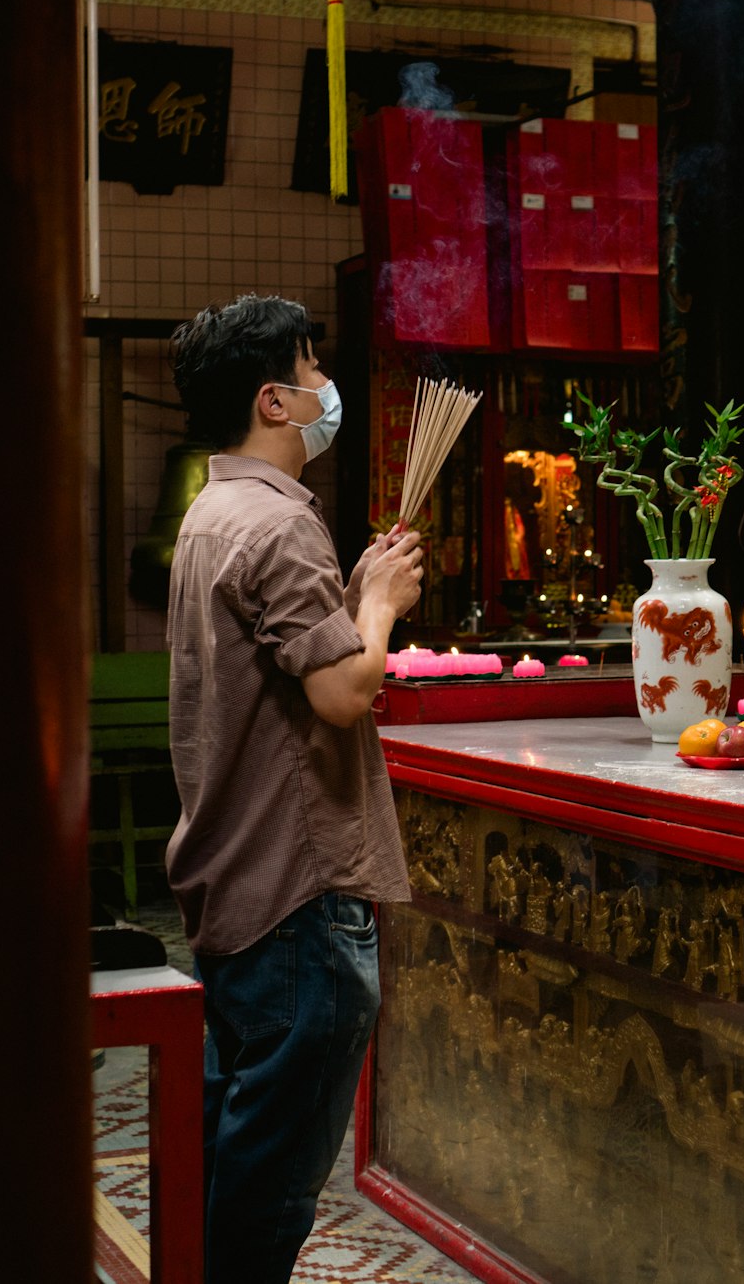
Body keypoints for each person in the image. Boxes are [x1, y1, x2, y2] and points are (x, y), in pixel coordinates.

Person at [165, 293, 423, 1284]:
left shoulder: (211, 513)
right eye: (315, 372)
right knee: (272, 1185)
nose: (329, 390)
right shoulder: (276, 526)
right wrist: (382, 605)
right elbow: (344, 692)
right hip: (297, 897)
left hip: (236, 886)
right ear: (274, 401)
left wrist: (355, 594)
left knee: (237, 1157)